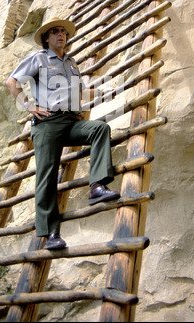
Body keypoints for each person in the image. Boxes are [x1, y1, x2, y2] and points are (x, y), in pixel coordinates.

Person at [6, 17, 120, 250]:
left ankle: (97, 186)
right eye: (55, 32)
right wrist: (28, 105)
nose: (61, 35)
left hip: (71, 120)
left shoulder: (72, 63)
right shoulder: (38, 59)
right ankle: (50, 235)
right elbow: (12, 81)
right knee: (46, 175)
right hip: (47, 123)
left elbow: (80, 93)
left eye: (63, 32)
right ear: (46, 39)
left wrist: (105, 91)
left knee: (100, 129)